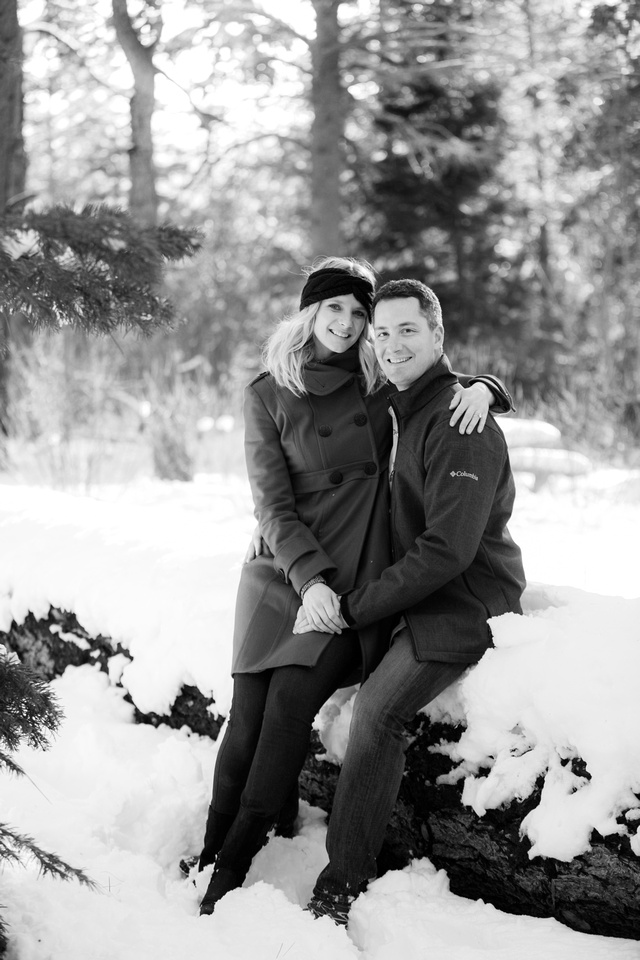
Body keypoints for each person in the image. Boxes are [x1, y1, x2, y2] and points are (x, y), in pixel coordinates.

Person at [197, 259, 513, 916]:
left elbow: (437, 389)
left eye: (358, 315)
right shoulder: (273, 392)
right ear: (308, 312)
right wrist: (309, 580)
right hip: (289, 571)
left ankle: (277, 868)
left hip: (375, 583)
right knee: (248, 713)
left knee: (310, 709)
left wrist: (487, 387)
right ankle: (214, 852)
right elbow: (273, 506)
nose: (351, 326)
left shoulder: (382, 389)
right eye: (335, 311)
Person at [294, 278, 526, 926]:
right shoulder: (405, 406)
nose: (392, 344)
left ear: (437, 336)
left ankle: (342, 883)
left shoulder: (459, 422)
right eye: (383, 332)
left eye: (407, 331)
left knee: (376, 712)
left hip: (463, 604)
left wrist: (356, 605)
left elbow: (448, 551)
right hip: (414, 596)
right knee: (302, 671)